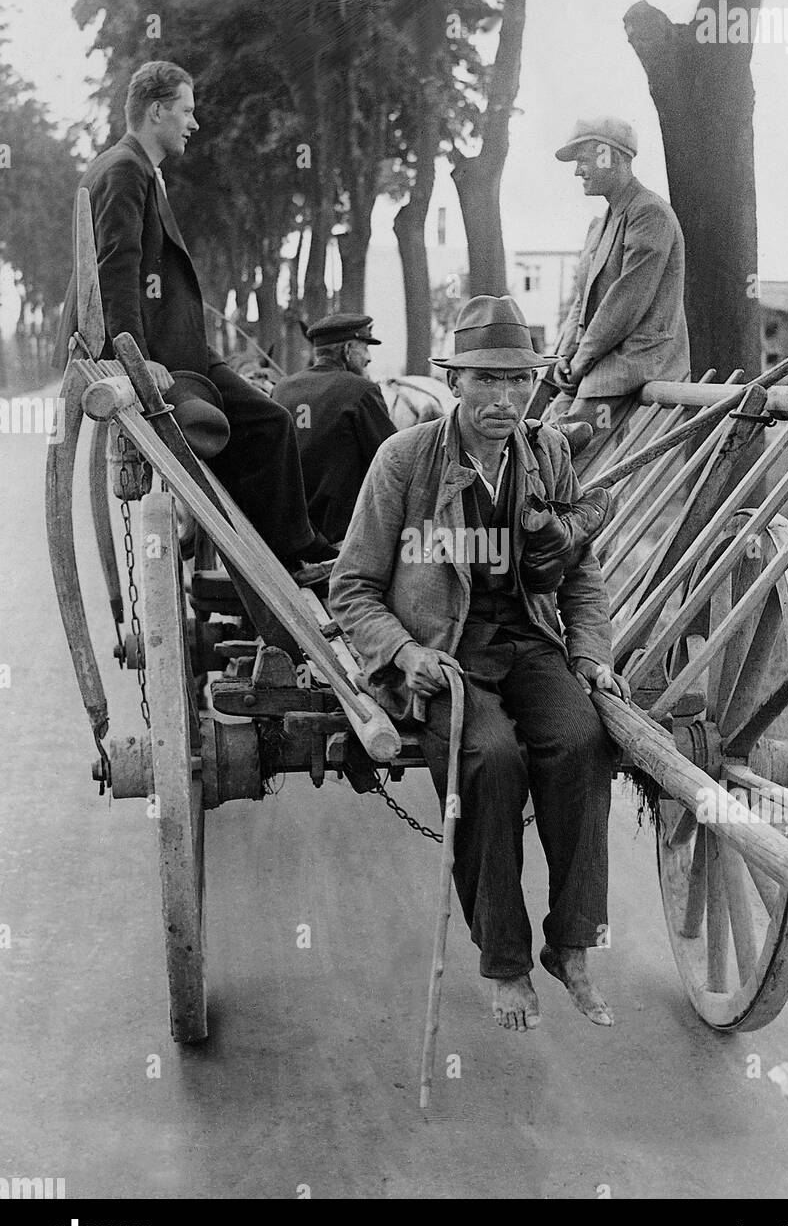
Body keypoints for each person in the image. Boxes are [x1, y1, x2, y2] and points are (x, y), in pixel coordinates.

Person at [330, 295, 629, 1034]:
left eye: (517, 383)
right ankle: (504, 961)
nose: (502, 399)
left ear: (532, 386)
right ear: (454, 381)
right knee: (489, 760)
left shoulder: (549, 453)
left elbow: (580, 573)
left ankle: (570, 944)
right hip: (442, 653)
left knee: (580, 742)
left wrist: (590, 656)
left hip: (527, 637)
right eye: (485, 382)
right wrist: (403, 652)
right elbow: (351, 587)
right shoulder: (404, 460)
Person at [53, 59, 335, 582]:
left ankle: (290, 551)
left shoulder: (131, 167)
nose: (194, 123)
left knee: (265, 423)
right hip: (157, 356)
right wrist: (136, 359)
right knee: (254, 426)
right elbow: (116, 268)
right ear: (156, 111)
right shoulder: (125, 169)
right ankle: (290, 557)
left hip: (175, 348)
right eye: (186, 110)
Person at [545, 116, 690, 481]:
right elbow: (583, 301)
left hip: (636, 358)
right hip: (599, 360)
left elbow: (626, 302)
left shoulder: (649, 213)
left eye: (584, 159)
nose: (578, 171)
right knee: (542, 437)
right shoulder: (603, 222)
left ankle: (564, 532)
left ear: (610, 155)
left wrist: (581, 361)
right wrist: (565, 354)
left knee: (565, 458)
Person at [272, 313, 396, 546]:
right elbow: (393, 459)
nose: (368, 358)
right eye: (364, 348)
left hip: (293, 536)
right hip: (344, 538)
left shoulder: (281, 389)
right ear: (348, 350)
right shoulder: (360, 390)